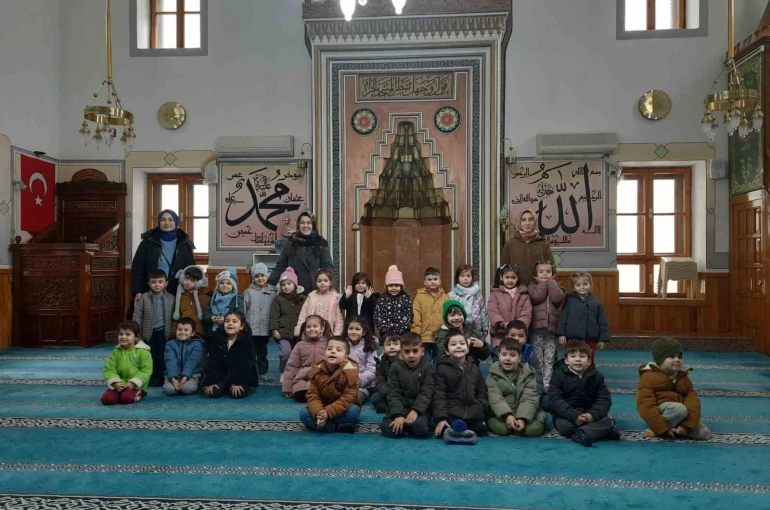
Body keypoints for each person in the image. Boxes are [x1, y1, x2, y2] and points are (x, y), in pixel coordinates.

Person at [637, 338, 710, 440]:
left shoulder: (683, 377)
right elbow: (645, 404)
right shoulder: (648, 377)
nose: (677, 360)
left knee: (703, 433)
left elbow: (692, 401)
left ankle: (676, 430)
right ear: (660, 359)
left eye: (679, 356)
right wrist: (661, 427)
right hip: (661, 412)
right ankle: (658, 428)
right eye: (671, 356)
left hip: (682, 412)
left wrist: (686, 426)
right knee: (678, 410)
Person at [548, 341, 618, 447]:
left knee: (609, 421)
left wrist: (593, 415)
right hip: (567, 415)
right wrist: (574, 415)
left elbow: (604, 399)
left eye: (582, 356)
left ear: (589, 361)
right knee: (565, 427)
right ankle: (597, 432)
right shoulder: (558, 375)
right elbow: (555, 399)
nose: (578, 359)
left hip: (589, 413)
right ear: (566, 360)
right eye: (573, 356)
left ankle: (583, 433)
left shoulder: (597, 376)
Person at [130, 209, 195, 309]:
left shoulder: (184, 243)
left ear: (176, 222)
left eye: (170, 219)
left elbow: (191, 269)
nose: (167, 223)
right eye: (163, 220)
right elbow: (137, 267)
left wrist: (190, 288)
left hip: (176, 290)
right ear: (159, 222)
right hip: (150, 289)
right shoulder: (148, 242)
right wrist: (137, 290)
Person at [433, 329, 489, 438]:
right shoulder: (442, 369)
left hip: (473, 412)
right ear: (447, 351)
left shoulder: (474, 368)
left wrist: (481, 408)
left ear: (467, 349)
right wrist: (441, 418)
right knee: (448, 428)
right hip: (453, 412)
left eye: (462, 344)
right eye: (453, 344)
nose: (458, 346)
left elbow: (482, 392)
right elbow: (439, 396)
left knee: (481, 430)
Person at [486, 338, 546, 437]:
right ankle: (510, 422)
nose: (507, 358)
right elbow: (495, 398)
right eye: (504, 354)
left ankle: (520, 423)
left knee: (533, 430)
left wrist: (523, 418)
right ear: (499, 355)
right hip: (501, 414)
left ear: (519, 358)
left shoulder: (528, 374)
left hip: (525, 413)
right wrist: (507, 415)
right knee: (502, 429)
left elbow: (530, 398)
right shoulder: (492, 375)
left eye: (512, 355)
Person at [299, 337, 361, 433]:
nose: (333, 352)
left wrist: (328, 413)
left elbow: (348, 398)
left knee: (354, 411)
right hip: (322, 407)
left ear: (346, 357)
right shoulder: (317, 371)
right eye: (329, 349)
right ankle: (336, 427)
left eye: (338, 350)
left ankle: (322, 425)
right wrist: (318, 412)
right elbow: (313, 395)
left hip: (341, 408)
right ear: (324, 354)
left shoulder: (350, 372)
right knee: (303, 413)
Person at [380, 332, 434, 439]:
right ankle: (405, 424)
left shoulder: (428, 367)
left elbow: (427, 392)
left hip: (420, 410)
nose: (411, 355)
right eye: (407, 351)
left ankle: (408, 425)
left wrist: (415, 411)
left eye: (415, 351)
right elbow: (392, 392)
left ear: (422, 351)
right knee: (389, 430)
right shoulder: (395, 367)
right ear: (401, 353)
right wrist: (398, 415)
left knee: (421, 429)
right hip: (400, 407)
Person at [268, 211, 333, 295]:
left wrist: (329, 288)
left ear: (313, 225)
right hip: (294, 292)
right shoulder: (290, 243)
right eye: (302, 223)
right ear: (298, 225)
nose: (305, 226)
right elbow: (281, 266)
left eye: (308, 223)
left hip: (315, 292)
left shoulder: (321, 244)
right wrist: (269, 284)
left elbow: (328, 268)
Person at [202, 311, 258, 399]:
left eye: (234, 321)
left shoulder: (247, 341)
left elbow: (245, 364)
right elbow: (213, 361)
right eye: (227, 321)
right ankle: (226, 385)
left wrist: (237, 382)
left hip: (242, 376)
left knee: (238, 393)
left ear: (241, 326)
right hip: (223, 376)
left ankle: (236, 385)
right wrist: (211, 381)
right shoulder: (218, 339)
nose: (230, 324)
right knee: (212, 392)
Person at [132, 269, 174, 387]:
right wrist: (136, 333)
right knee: (149, 356)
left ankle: (160, 377)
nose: (157, 285)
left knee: (162, 356)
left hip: (164, 333)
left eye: (160, 282)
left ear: (166, 283)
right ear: (149, 284)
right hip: (148, 333)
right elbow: (137, 316)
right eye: (154, 282)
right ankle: (149, 377)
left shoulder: (171, 298)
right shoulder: (144, 298)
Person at [557, 272, 610, 364]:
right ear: (574, 287)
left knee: (589, 359)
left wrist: (602, 339)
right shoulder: (569, 301)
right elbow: (562, 319)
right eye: (578, 285)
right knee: (572, 358)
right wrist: (561, 334)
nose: (582, 287)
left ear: (590, 285)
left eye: (585, 284)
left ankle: (589, 376)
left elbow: (602, 322)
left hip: (590, 339)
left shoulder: (597, 303)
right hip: (572, 339)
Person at [528, 261, 565, 390]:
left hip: (551, 329)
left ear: (553, 274)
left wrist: (551, 283)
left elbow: (557, 298)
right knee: (538, 357)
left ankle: (547, 383)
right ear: (535, 275)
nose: (545, 274)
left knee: (549, 358)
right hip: (536, 329)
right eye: (541, 272)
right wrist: (543, 284)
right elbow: (537, 297)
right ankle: (538, 382)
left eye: (548, 272)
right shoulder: (532, 286)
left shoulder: (556, 285)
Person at [101, 320, 152, 406]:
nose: (123, 337)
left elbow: (146, 370)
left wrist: (134, 383)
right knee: (107, 400)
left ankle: (141, 393)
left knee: (126, 399)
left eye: (128, 334)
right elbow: (109, 369)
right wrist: (115, 382)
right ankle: (116, 393)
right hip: (119, 384)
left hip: (135, 385)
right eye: (121, 334)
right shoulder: (115, 352)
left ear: (136, 337)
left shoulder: (144, 353)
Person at [269, 267, 307, 382]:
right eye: (283, 284)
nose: (286, 286)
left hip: (298, 333)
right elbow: (274, 315)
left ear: (294, 285)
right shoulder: (277, 299)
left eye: (289, 283)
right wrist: (275, 329)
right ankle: (284, 371)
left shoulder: (303, 298)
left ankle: (296, 373)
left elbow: (306, 314)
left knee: (298, 354)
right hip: (283, 333)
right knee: (286, 353)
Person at [500, 209, 555, 286]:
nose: (527, 223)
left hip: (539, 290)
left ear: (535, 222)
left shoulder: (543, 244)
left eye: (531, 219)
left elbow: (552, 269)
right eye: (523, 220)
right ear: (519, 222)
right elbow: (504, 269)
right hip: (517, 291)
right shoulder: (510, 244)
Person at [282, 315, 331, 402]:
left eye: (315, 326)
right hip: (303, 378)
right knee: (298, 392)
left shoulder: (328, 344)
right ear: (305, 329)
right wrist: (288, 388)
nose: (311, 329)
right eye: (308, 327)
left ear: (322, 329)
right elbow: (292, 366)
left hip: (323, 377)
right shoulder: (300, 345)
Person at [244, 262, 277, 383]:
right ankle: (252, 373)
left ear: (267, 276)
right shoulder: (248, 292)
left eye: (262, 275)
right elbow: (244, 309)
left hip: (265, 329)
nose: (260, 278)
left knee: (262, 353)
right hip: (251, 329)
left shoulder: (273, 292)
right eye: (256, 276)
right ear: (253, 278)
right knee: (251, 353)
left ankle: (263, 373)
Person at [488, 263, 532, 348]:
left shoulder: (524, 295)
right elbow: (492, 311)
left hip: (517, 335)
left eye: (513, 277)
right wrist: (502, 324)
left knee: (515, 355)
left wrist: (516, 326)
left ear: (517, 278)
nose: (510, 280)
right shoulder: (495, 294)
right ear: (501, 278)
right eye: (507, 277)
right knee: (499, 355)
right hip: (499, 334)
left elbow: (526, 313)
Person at [411, 267, 449, 361]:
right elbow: (416, 317)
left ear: (439, 281)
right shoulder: (419, 297)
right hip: (424, 337)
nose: (432, 282)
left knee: (440, 360)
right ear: (425, 282)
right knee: (425, 361)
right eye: (429, 279)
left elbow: (448, 316)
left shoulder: (445, 297)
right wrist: (416, 335)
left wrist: (447, 333)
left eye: (435, 279)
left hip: (440, 337)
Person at [294, 268, 344, 337]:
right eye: (319, 281)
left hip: (328, 333)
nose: (322, 283)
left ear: (330, 282)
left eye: (325, 281)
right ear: (316, 283)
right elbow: (303, 314)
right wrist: (299, 331)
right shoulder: (311, 296)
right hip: (312, 331)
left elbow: (339, 319)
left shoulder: (335, 298)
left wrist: (337, 335)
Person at [163, 317, 204, 396]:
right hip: (174, 375)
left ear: (192, 333)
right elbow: (170, 361)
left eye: (186, 330)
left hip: (192, 374)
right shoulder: (170, 344)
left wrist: (185, 377)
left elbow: (192, 361)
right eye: (179, 329)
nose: (182, 332)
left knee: (187, 389)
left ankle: (194, 383)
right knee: (169, 390)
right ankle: (174, 382)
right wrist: (173, 379)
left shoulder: (197, 344)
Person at [448, 264, 489, 340]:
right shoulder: (452, 295)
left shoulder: (478, 295)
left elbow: (483, 312)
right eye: (462, 276)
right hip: (458, 329)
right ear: (457, 278)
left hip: (476, 329)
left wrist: (485, 328)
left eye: (468, 276)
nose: (466, 278)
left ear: (472, 278)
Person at [172, 265, 212, 339]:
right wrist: (174, 333)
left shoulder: (206, 297)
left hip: (200, 334)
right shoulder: (180, 296)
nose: (188, 282)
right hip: (183, 334)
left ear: (200, 282)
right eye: (186, 279)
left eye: (192, 281)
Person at [345, 316, 378, 404]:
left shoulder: (369, 345)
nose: (353, 332)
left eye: (357, 329)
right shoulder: (343, 344)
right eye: (351, 328)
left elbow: (372, 369)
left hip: (363, 384)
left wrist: (360, 381)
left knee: (355, 398)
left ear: (364, 332)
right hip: (345, 382)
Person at [373, 265, 413, 337]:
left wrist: (398, 327)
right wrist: (389, 327)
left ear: (401, 287)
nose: (394, 288)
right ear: (386, 286)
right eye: (391, 286)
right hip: (385, 334)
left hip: (403, 334)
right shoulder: (382, 298)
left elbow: (409, 315)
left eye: (397, 285)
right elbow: (378, 316)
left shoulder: (405, 298)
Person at [203, 268, 244, 335]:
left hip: (230, 332)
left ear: (233, 286)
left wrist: (226, 319)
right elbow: (205, 311)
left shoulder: (238, 300)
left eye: (228, 283)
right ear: (218, 285)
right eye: (222, 283)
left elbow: (240, 315)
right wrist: (211, 317)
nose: (225, 285)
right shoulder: (213, 298)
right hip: (213, 332)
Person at [371, 333, 401, 413]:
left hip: (401, 392)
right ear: (383, 349)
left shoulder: (405, 361)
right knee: (375, 397)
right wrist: (388, 393)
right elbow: (380, 382)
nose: (392, 347)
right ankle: (390, 407)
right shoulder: (380, 362)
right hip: (388, 391)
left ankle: (389, 408)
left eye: (396, 344)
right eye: (388, 344)